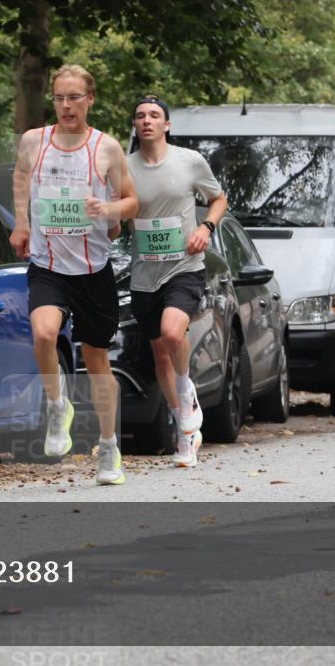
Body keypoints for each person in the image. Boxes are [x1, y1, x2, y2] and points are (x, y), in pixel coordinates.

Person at [10, 64, 138, 486]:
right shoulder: (35, 140)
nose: (66, 106)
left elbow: (132, 202)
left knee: (97, 361)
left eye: (74, 97)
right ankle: (57, 406)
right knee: (44, 333)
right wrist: (22, 223)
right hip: (48, 265)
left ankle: (109, 448)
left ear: (90, 100)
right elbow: (22, 176)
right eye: (60, 97)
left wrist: (109, 210)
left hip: (92, 270)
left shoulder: (107, 148)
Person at [127, 95, 228, 467]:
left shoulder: (189, 161)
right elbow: (116, 214)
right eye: (140, 116)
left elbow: (219, 199)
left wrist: (206, 226)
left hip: (184, 267)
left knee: (173, 335)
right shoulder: (124, 168)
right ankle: (185, 433)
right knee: (160, 355)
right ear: (135, 126)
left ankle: (187, 395)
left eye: (155, 115)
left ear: (167, 124)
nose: (147, 121)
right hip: (144, 274)